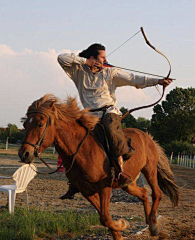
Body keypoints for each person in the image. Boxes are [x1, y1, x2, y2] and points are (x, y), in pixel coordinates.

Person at [57, 43, 172, 199]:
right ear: (92, 57)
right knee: (73, 139)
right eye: (102, 57)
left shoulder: (110, 73)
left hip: (108, 112)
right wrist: (86, 62)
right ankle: (75, 182)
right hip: (89, 116)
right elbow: (61, 58)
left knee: (110, 130)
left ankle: (120, 171)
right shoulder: (79, 71)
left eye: (105, 57)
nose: (105, 59)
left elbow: (133, 78)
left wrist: (158, 81)